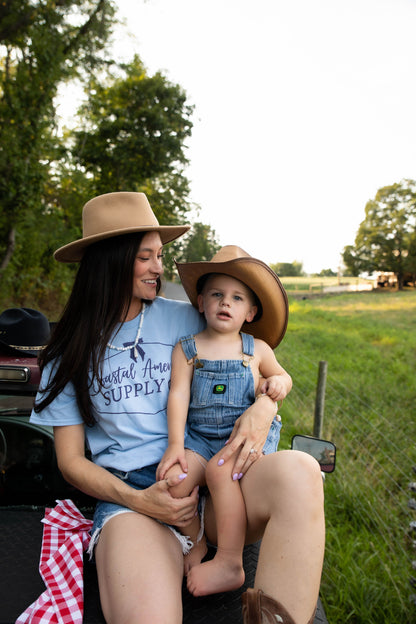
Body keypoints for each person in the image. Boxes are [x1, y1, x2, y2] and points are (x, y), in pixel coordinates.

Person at [30, 191, 325, 624]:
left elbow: (253, 362)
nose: (159, 268)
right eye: (146, 257)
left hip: (220, 482)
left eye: (160, 255)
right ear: (110, 261)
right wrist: (141, 500)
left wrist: (264, 407)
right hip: (134, 500)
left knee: (301, 471)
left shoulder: (187, 317)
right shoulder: (68, 352)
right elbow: (71, 461)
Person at [156, 246, 292, 597]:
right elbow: (178, 396)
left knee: (220, 471)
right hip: (199, 438)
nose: (225, 303)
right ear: (201, 303)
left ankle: (230, 563)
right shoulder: (187, 349)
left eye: (236, 298)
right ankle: (196, 542)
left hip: (242, 439)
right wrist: (175, 445)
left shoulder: (256, 349)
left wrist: (277, 383)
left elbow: (283, 377)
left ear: (251, 312)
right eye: (217, 295)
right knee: (174, 481)